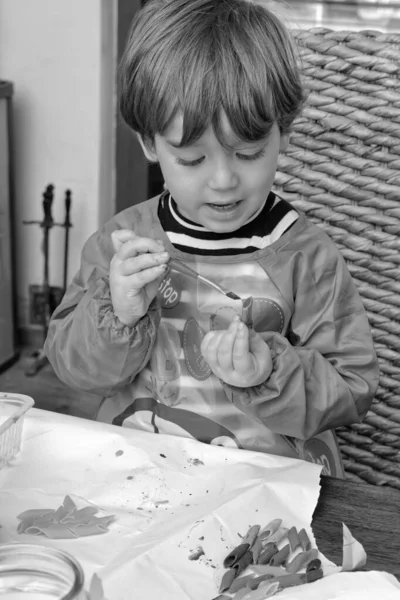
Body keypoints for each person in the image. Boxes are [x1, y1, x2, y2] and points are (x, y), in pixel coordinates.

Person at [44, 0, 379, 462]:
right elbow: (76, 371)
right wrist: (117, 314)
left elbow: (352, 390)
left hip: (268, 492)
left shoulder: (307, 257)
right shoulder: (123, 244)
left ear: (284, 133)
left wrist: (267, 371)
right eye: (192, 159)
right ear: (149, 143)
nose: (223, 180)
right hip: (142, 478)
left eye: (247, 153)